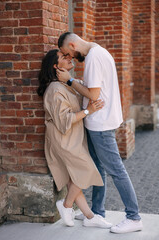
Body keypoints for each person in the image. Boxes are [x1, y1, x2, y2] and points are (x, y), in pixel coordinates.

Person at [56, 32, 143, 234]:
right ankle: (97, 212)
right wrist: (77, 81)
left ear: (72, 44)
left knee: (116, 170)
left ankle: (134, 217)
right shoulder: (100, 51)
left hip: (100, 124)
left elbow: (94, 94)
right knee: (97, 169)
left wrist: (69, 81)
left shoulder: (94, 57)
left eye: (66, 52)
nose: (69, 57)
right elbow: (97, 88)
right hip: (100, 121)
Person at [37, 49, 113, 229]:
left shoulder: (65, 84)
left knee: (75, 178)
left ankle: (89, 216)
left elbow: (87, 88)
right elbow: (64, 120)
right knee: (86, 170)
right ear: (56, 66)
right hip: (63, 139)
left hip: (72, 138)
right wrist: (89, 111)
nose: (70, 58)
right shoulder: (55, 90)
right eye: (65, 57)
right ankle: (66, 205)